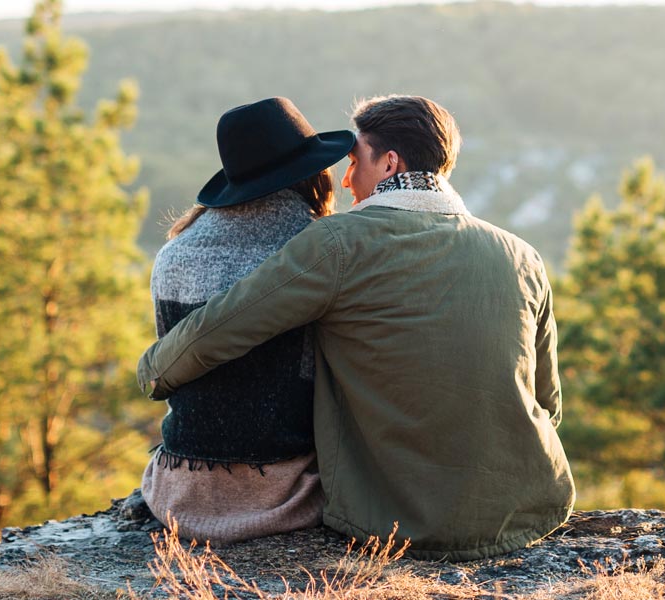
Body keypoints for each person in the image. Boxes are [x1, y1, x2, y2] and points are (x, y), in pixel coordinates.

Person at [138, 95, 576, 560]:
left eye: (353, 161)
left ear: (389, 163)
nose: (345, 180)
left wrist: (153, 371)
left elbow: (217, 330)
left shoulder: (339, 244)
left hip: (397, 520)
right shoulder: (522, 254)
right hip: (533, 507)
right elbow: (546, 402)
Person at [139, 97, 354, 545]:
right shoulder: (318, 246)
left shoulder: (174, 252)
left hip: (178, 490)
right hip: (283, 492)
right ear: (314, 171)